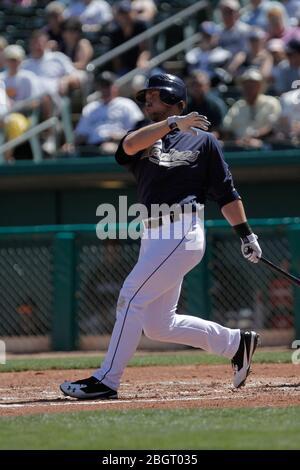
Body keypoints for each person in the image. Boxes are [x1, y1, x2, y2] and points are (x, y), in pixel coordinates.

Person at [60, 73, 261, 400]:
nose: (148, 99)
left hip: (182, 230)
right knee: (158, 324)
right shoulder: (144, 137)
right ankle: (237, 343)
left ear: (177, 101)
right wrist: (173, 124)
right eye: (147, 95)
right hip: (154, 236)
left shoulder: (204, 141)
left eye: (156, 94)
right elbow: (126, 148)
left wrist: (246, 234)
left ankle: (106, 380)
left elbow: (226, 194)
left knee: (130, 296)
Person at [74, 71, 144, 153]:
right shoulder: (90, 108)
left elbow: (139, 130)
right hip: (93, 149)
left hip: (121, 146)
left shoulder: (127, 104)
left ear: (115, 87)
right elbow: (82, 133)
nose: (105, 89)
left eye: (107, 86)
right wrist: (71, 145)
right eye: (102, 86)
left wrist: (117, 137)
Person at [222, 68, 281, 149]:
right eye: (246, 84)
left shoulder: (271, 102)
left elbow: (274, 126)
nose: (249, 87)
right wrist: (237, 141)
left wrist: (256, 137)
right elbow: (227, 128)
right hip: (239, 146)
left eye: (254, 84)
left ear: (260, 86)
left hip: (265, 145)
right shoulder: (238, 106)